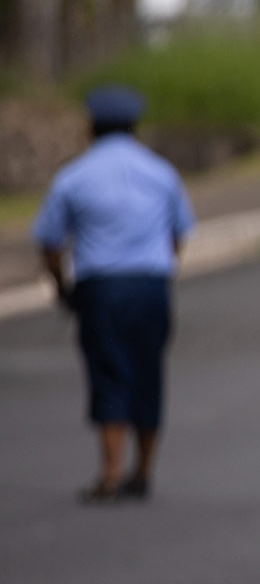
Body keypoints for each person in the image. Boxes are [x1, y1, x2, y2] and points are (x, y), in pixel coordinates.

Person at [32, 86, 196, 502]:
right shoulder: (161, 173)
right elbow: (179, 234)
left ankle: (109, 472)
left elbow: (50, 241)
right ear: (134, 127)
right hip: (150, 286)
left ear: (91, 128)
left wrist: (61, 288)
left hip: (100, 288)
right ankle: (142, 471)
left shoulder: (73, 176)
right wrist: (160, 273)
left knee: (109, 373)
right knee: (148, 373)